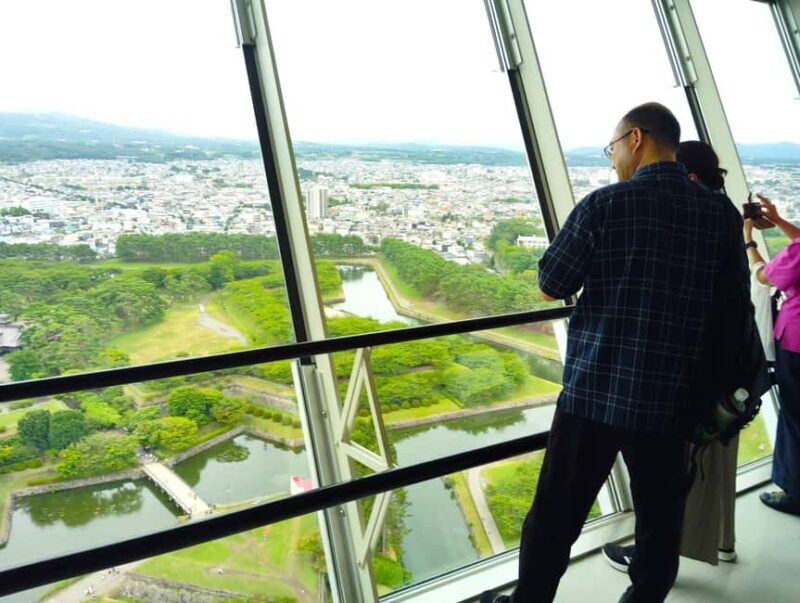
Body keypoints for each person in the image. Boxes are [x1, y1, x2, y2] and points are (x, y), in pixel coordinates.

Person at [481, 103, 733, 603]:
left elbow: (552, 282)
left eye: (612, 147)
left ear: (635, 139)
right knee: (660, 523)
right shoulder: (718, 215)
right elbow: (727, 305)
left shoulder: (606, 205)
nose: (613, 158)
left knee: (555, 516)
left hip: (597, 392)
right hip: (672, 398)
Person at [602, 140, 741, 572]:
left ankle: (655, 561)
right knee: (705, 467)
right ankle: (715, 544)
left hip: (686, 371)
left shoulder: (704, 214)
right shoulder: (723, 215)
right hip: (724, 367)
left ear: (691, 177)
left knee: (672, 477)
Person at [743, 194, 800, 514]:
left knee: (794, 415)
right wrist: (777, 220)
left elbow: (765, 276)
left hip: (796, 342)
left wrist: (748, 240)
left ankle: (794, 490)